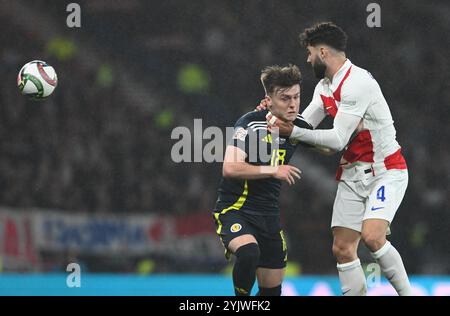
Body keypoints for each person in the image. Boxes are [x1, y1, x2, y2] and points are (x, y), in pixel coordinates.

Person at [262, 22, 412, 296]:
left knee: (373, 237)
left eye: (309, 53)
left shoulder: (358, 83)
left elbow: (336, 140)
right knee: (342, 249)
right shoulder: (324, 86)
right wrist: (274, 113)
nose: (307, 59)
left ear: (322, 52)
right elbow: (305, 126)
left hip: (384, 171)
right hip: (352, 175)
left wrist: (291, 130)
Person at [213, 64, 315, 296]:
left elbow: (330, 143)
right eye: (285, 98)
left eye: (297, 97)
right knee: (248, 252)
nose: (292, 104)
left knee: (271, 294)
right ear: (268, 100)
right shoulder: (249, 123)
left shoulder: (298, 127)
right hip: (235, 209)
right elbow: (229, 167)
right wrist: (272, 170)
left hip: (269, 217)